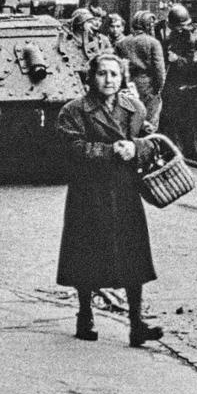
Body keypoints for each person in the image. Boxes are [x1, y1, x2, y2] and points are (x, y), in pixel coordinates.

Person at [56, 52, 164, 348]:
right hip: (89, 191)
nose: (108, 79)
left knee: (133, 255)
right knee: (85, 253)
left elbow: (153, 144)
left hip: (125, 190)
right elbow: (70, 148)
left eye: (114, 74)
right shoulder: (74, 111)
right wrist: (108, 152)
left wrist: (136, 148)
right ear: (91, 77)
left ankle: (136, 324)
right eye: (102, 73)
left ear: (122, 78)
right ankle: (85, 315)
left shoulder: (135, 108)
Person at [116, 11, 167, 126]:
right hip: (148, 88)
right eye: (151, 25)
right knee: (149, 123)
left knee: (130, 121)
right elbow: (159, 71)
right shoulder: (154, 43)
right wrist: (159, 89)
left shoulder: (121, 43)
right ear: (147, 26)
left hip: (128, 86)